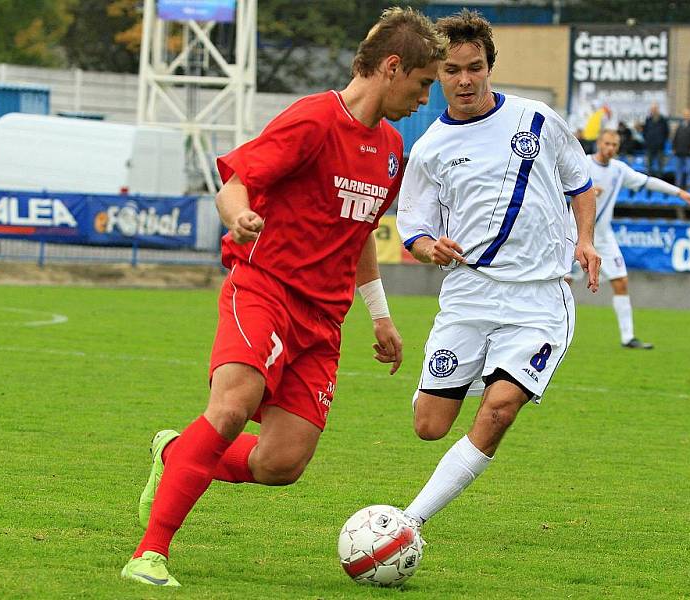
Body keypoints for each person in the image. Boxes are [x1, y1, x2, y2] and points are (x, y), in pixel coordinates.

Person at [120, 7, 447, 587]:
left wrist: (380, 316)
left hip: (322, 321)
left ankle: (176, 454)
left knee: (281, 463)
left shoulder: (392, 148)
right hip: (264, 290)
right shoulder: (313, 121)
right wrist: (240, 215)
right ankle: (150, 553)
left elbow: (361, 232)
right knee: (231, 408)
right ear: (393, 67)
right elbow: (234, 183)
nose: (427, 97)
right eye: (424, 83)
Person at [395, 10, 600, 530]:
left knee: (499, 410)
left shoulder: (536, 120)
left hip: (538, 298)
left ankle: (407, 522)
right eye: (452, 70)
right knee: (429, 425)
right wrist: (428, 249)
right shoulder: (428, 149)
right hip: (469, 294)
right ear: (437, 73)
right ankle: (476, 373)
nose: (464, 79)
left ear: (490, 67)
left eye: (475, 67)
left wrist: (586, 239)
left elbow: (580, 182)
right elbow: (412, 227)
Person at [575, 129, 690, 349]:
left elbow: (648, 182)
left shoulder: (619, 170)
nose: (610, 148)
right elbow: (559, 188)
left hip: (602, 236)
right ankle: (548, 333)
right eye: (607, 143)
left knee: (621, 281)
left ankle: (628, 337)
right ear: (598, 143)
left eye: (614, 145)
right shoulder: (582, 163)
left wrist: (679, 192)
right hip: (573, 234)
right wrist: (586, 191)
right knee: (561, 282)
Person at [671, 108, 690, 189]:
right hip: (679, 152)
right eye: (685, 115)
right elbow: (675, 138)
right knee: (678, 170)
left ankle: (689, 184)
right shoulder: (680, 126)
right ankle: (678, 184)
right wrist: (674, 148)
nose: (686, 116)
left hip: (689, 153)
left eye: (688, 115)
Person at [643, 103, 669, 176]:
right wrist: (647, 141)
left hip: (660, 147)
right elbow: (645, 132)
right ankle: (648, 182)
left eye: (655, 109)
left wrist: (661, 141)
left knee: (660, 166)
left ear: (658, 109)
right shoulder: (648, 119)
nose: (653, 111)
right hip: (650, 147)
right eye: (652, 109)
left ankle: (659, 181)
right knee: (648, 166)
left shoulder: (663, 120)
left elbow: (666, 133)